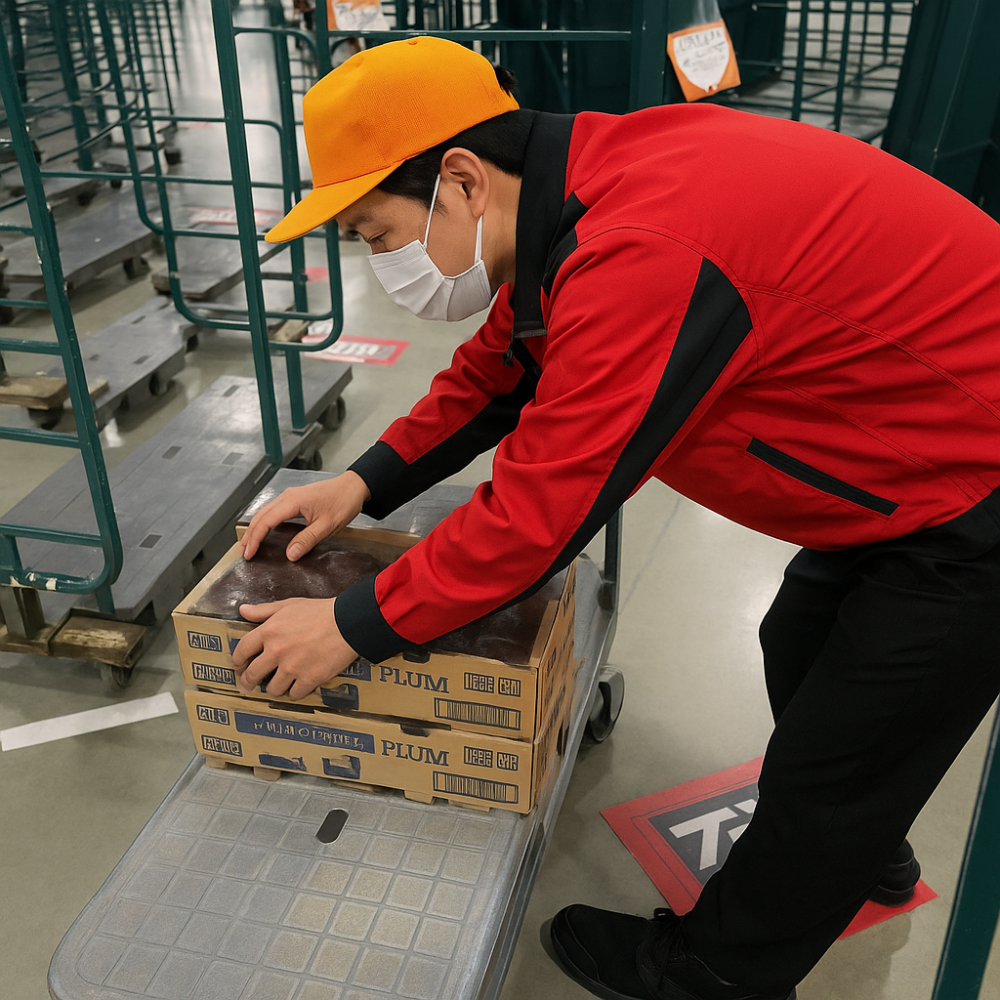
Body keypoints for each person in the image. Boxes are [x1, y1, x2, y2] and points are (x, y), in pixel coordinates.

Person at [232, 36, 1000, 1000]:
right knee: (803, 642)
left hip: (976, 492)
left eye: (375, 233)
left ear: (461, 179)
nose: (381, 260)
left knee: (840, 754)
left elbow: (535, 517)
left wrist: (351, 625)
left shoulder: (646, 244)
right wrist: (362, 482)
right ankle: (854, 850)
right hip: (917, 461)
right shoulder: (582, 195)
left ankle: (712, 974)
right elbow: (506, 366)